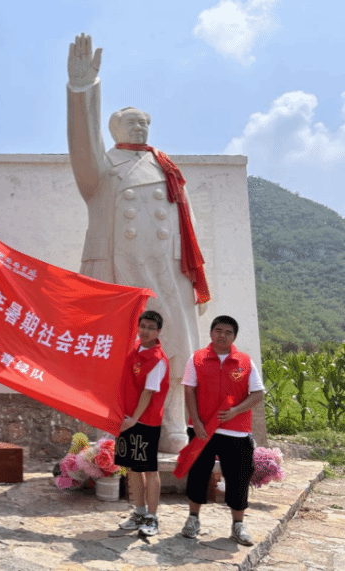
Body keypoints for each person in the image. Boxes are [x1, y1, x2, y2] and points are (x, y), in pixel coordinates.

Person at [67, 33, 211, 453]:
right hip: (118, 268)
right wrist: (82, 89)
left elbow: (188, 227)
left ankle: (173, 423)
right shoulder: (102, 169)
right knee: (116, 349)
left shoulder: (166, 167)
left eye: (143, 122)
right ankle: (111, 426)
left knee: (176, 345)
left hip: (169, 271)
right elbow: (82, 145)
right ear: (113, 130)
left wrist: (199, 280)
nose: (140, 127)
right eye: (131, 123)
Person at [180, 315, 264, 545]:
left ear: (234, 336)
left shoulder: (245, 362)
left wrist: (236, 411)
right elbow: (189, 391)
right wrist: (196, 422)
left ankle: (238, 524)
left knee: (238, 477)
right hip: (202, 430)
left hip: (236, 431)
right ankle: (193, 519)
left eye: (228, 332)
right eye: (218, 330)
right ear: (211, 333)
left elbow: (257, 393)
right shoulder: (197, 359)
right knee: (197, 474)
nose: (222, 335)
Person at [115, 310, 169, 536]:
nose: (145, 331)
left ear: (159, 331)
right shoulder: (135, 349)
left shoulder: (157, 359)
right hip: (128, 419)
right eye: (143, 326)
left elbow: (148, 392)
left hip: (145, 421)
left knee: (149, 469)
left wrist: (134, 419)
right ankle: (138, 512)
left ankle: (152, 517)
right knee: (132, 468)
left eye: (151, 328)